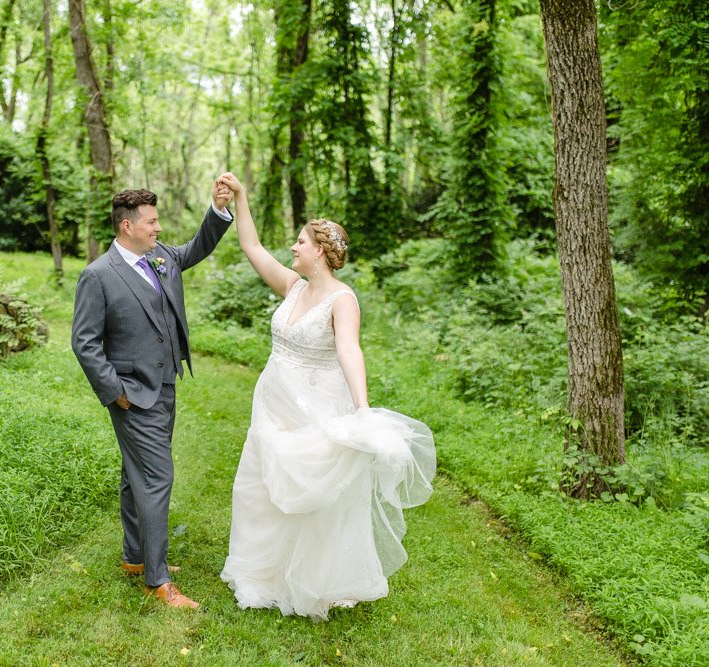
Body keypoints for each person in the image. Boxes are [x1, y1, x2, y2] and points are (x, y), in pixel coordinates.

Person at [217, 172, 436, 620]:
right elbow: (252, 247)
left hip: (316, 405)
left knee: (318, 493)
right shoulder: (292, 286)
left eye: (300, 242)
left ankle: (320, 579)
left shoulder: (343, 299)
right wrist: (240, 197)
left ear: (319, 250)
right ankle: (266, 571)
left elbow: (349, 349)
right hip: (273, 404)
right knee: (261, 486)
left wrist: (361, 410)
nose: (292, 248)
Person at [71, 183, 233, 609]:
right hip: (131, 395)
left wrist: (218, 210)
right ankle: (157, 582)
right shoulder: (98, 275)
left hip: (165, 386)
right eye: (152, 221)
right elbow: (84, 343)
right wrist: (115, 392)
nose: (159, 227)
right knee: (157, 477)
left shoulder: (161, 258)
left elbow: (198, 246)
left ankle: (136, 557)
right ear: (128, 226)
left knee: (135, 475)